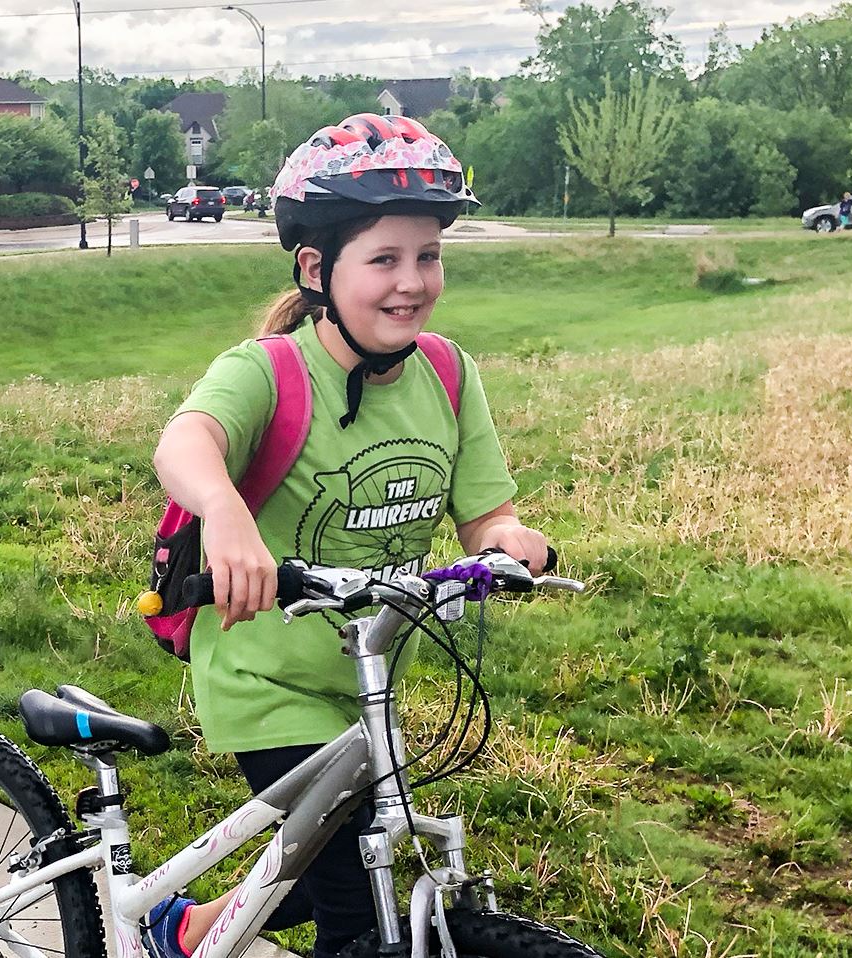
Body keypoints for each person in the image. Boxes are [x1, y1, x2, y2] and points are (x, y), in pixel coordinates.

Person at [145, 114, 552, 958]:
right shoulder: (270, 369)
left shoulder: (446, 370)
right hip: (266, 677)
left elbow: (485, 513)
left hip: (365, 679)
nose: (412, 282)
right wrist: (225, 516)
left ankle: (181, 931)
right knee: (354, 908)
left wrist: (508, 538)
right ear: (316, 267)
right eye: (384, 259)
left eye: (428, 256)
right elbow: (184, 443)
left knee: (303, 874)